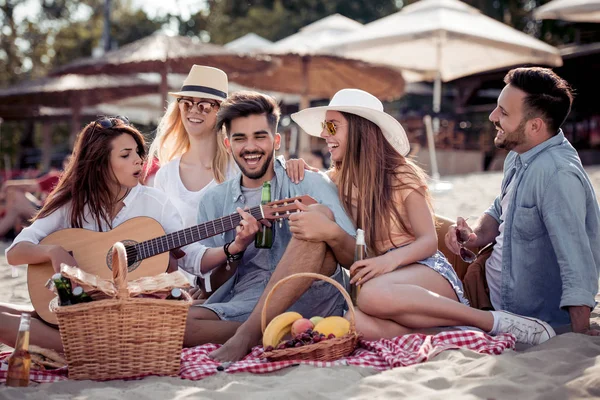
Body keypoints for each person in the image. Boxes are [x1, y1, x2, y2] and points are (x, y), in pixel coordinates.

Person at [290, 88, 557, 345]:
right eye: (325, 127)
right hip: (389, 284)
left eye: (333, 126)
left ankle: (489, 321)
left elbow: (428, 241)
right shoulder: (339, 180)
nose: (324, 134)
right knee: (354, 320)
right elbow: (310, 183)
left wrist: (385, 263)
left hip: (427, 272)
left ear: (361, 129)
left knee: (369, 295)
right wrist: (294, 165)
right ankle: (446, 331)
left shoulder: (401, 174)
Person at [183, 91, 357, 361]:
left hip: (313, 298)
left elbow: (353, 259)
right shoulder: (214, 201)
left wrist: (325, 230)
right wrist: (236, 248)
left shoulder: (309, 182)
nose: (250, 147)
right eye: (240, 138)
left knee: (314, 216)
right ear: (228, 145)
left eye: (259, 136)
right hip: (248, 300)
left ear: (276, 140)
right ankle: (280, 334)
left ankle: (244, 337)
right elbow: (213, 285)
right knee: (175, 324)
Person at [0, 116, 191, 351]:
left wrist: (177, 262)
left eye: (138, 152)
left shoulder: (156, 204)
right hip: (79, 312)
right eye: (125, 155)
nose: (139, 161)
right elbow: (14, 253)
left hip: (127, 322)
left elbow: (183, 264)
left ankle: (83, 348)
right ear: (100, 164)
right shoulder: (73, 204)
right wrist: (53, 252)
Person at [443, 67, 600, 335]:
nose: (493, 117)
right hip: (483, 274)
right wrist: (474, 236)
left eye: (503, 113)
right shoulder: (520, 153)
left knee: (397, 291)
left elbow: (577, 261)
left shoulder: (557, 175)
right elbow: (499, 208)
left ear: (534, 125)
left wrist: (580, 332)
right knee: (417, 229)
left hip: (511, 309)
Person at [148, 65, 236, 293]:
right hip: (176, 291)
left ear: (222, 113)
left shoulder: (236, 169)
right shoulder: (166, 175)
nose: (194, 110)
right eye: (187, 103)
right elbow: (163, 244)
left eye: (205, 105)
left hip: (228, 283)